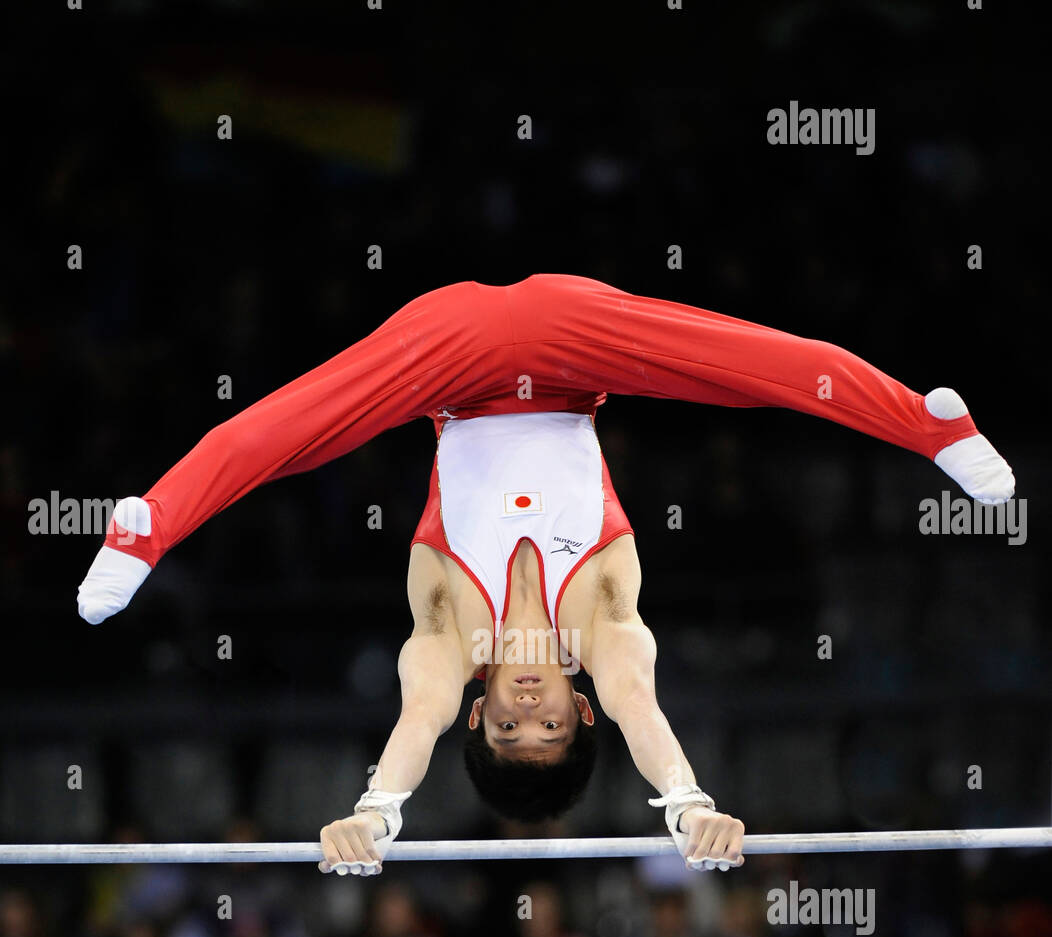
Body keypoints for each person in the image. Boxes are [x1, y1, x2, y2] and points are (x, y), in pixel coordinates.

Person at [76, 274, 1013, 872]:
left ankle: (145, 527)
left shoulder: (449, 637)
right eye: (552, 722)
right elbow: (645, 712)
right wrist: (687, 808)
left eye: (511, 724)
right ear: (581, 710)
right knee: (746, 362)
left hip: (447, 368)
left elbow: (410, 725)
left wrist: (376, 813)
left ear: (478, 717)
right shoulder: (605, 627)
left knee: (296, 428)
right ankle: (934, 426)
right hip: (572, 351)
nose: (530, 701)